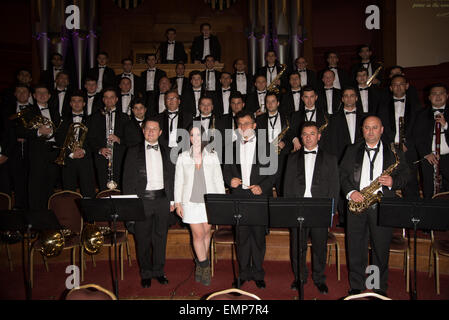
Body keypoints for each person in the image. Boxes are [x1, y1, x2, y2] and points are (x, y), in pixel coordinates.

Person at [340, 115, 409, 297]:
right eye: (367, 128)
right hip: (357, 202)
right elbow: (342, 175)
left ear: (382, 129)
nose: (370, 132)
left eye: (374, 127)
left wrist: (393, 181)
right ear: (362, 129)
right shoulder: (352, 149)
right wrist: (350, 192)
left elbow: (406, 176)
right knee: (355, 246)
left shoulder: (395, 152)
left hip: (382, 204)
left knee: (380, 247)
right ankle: (357, 285)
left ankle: (377, 284)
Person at [283, 121, 339, 294]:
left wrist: (330, 210)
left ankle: (319, 278)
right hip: (298, 208)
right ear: (301, 137)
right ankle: (300, 278)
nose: (308, 137)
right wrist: (289, 209)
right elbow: (287, 186)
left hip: (319, 208)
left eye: (312, 133)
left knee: (320, 246)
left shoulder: (330, 158)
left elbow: (334, 186)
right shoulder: (291, 158)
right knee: (297, 247)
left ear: (319, 136)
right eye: (305, 134)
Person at [223, 110, 274, 289]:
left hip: (258, 197)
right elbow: (226, 170)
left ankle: (258, 272)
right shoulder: (230, 146)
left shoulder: (267, 146)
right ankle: (243, 273)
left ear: (254, 125)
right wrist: (230, 181)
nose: (243, 127)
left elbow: (273, 173)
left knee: (259, 237)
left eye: (247, 124)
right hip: (239, 197)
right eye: (240, 124)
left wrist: (263, 187)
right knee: (242, 237)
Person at [122, 118, 175, 288]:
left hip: (162, 200)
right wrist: (130, 205)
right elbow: (127, 180)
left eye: (154, 129)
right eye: (148, 129)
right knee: (143, 239)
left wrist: (173, 199)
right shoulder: (132, 151)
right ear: (143, 131)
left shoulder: (168, 150)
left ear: (160, 132)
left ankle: (159, 271)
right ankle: (145, 272)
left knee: (160, 238)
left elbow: (172, 178)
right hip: (141, 201)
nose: (151, 131)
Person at [174, 124, 225, 286]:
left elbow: (218, 180)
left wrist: (220, 202)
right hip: (190, 202)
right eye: (192, 135)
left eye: (198, 135)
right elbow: (178, 182)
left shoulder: (212, 156)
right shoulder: (182, 157)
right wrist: (177, 203)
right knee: (198, 234)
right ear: (188, 137)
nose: (195, 139)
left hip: (209, 202)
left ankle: (200, 264)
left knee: (206, 232)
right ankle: (204, 265)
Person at [378, 74, 420, 198]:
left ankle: (413, 215)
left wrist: (407, 144)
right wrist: (390, 144)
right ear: (390, 88)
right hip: (390, 149)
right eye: (395, 85)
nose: (398, 87)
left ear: (407, 86)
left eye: (401, 84)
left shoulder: (416, 106)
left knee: (411, 183)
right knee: (389, 183)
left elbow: (419, 128)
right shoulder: (383, 105)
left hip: (409, 150)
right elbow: (381, 128)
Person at [23, 84, 61, 209]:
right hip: (37, 152)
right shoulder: (28, 112)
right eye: (39, 93)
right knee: (36, 184)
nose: (42, 95)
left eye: (45, 93)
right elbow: (21, 131)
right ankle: (35, 217)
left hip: (53, 151)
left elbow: (60, 131)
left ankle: (48, 214)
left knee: (50, 184)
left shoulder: (55, 112)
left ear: (49, 96)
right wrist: (39, 132)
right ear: (34, 96)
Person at [411, 83, 449, 198]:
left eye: (441, 93)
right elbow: (417, 137)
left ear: (447, 95)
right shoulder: (421, 114)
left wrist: (446, 125)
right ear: (429, 97)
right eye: (434, 94)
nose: (437, 96)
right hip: (429, 158)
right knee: (429, 189)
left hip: (448, 157)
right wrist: (426, 154)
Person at [55, 91, 95, 198]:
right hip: (68, 160)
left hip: (85, 160)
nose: (77, 104)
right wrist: (71, 153)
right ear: (70, 103)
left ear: (84, 104)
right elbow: (59, 139)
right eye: (74, 101)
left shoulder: (91, 120)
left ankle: (90, 215)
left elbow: (93, 140)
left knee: (88, 191)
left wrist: (83, 150)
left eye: (79, 101)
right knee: (68, 191)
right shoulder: (63, 120)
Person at [87, 88, 128, 191]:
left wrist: (119, 139)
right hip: (102, 158)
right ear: (103, 100)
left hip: (119, 158)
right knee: (103, 187)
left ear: (116, 99)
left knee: (120, 187)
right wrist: (100, 149)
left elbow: (129, 139)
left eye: (112, 97)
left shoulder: (125, 117)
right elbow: (90, 138)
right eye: (106, 97)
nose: (109, 100)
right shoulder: (94, 117)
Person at [256, 92, 290, 195]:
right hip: (265, 158)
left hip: (282, 157)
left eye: (273, 101)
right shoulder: (259, 120)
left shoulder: (287, 118)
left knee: (282, 188)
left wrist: (285, 143)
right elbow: (258, 139)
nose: (270, 104)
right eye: (268, 102)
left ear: (278, 103)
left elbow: (291, 135)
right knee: (266, 189)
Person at [288, 86, 328, 153]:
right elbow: (289, 131)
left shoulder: (325, 116)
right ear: (302, 98)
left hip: (321, 151)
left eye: (311, 97)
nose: (309, 100)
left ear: (316, 97)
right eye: (306, 97)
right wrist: (294, 139)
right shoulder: (295, 116)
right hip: (299, 151)